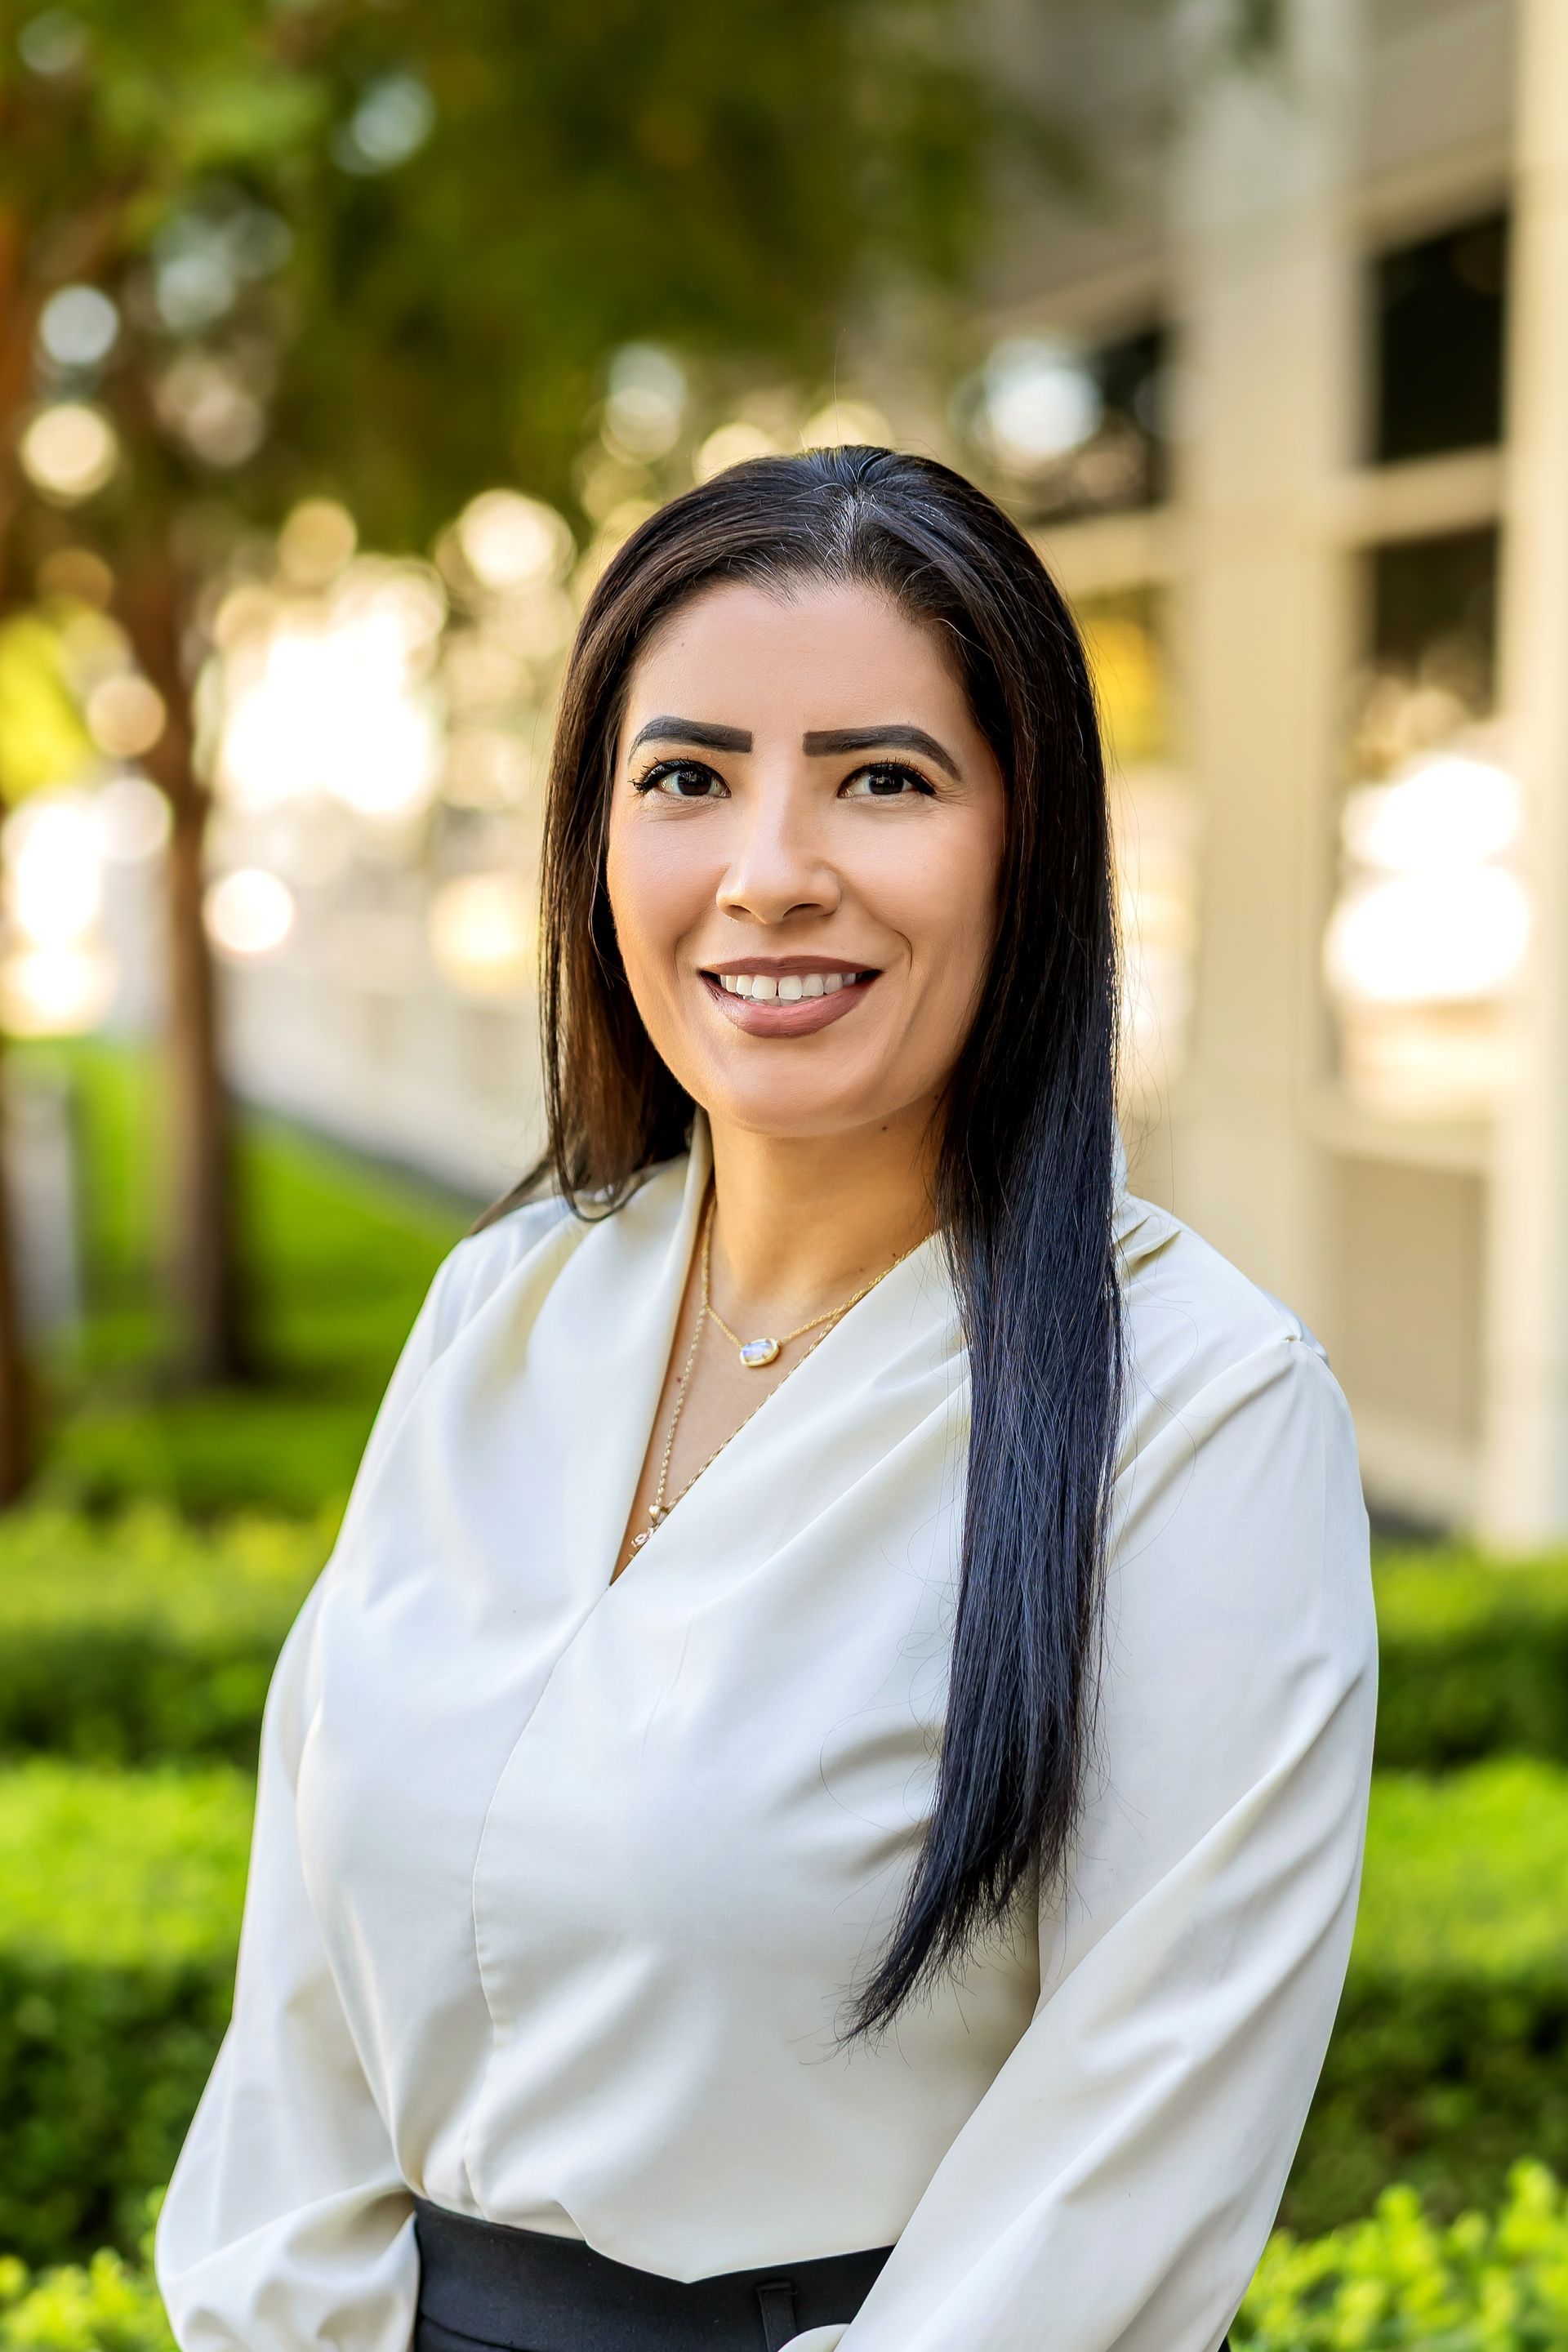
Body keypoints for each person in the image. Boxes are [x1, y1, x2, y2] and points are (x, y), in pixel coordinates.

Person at [155, 447, 1377, 2352]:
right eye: (688, 778)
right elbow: (297, 2020)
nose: (772, 868)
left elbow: (1115, 2185)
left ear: (1028, 841)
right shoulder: (505, 1305)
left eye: (883, 778)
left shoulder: (1203, 1415)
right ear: (595, 844)